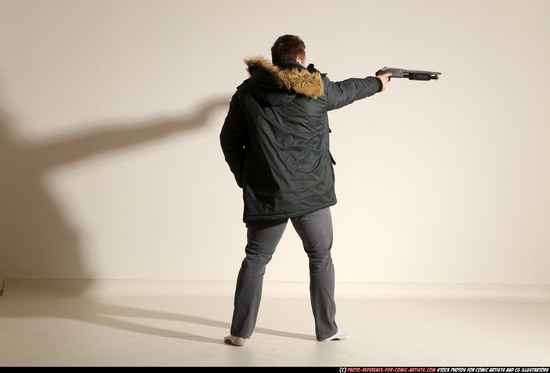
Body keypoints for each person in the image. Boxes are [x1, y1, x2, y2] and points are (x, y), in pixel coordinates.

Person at [220, 34, 391, 346]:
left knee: (256, 258)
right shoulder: (317, 89)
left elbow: (229, 140)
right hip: (311, 194)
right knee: (320, 256)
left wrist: (247, 177)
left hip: (268, 193)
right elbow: (351, 89)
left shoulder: (247, 92)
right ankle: (327, 331)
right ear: (300, 59)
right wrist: (379, 82)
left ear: (273, 61)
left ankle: (239, 334)